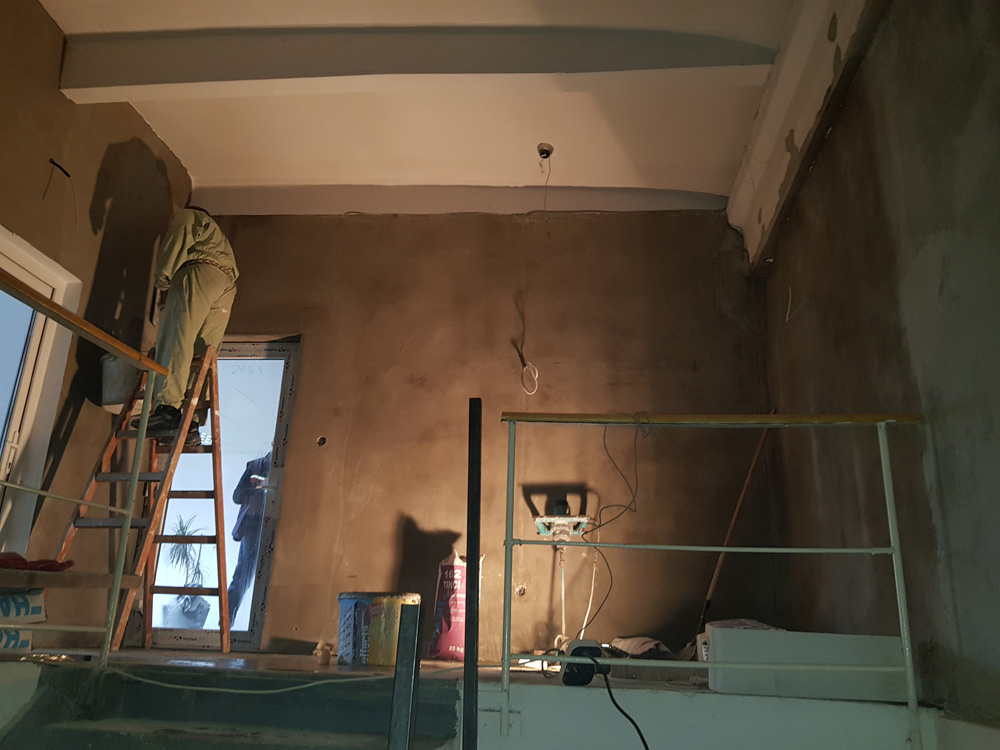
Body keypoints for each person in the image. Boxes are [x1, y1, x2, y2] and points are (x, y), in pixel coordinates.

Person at [135, 206, 238, 446]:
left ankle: (167, 409)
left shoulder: (192, 215)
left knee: (176, 335)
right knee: (203, 351)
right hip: (226, 285)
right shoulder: (222, 243)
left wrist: (164, 273)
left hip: (200, 271)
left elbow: (182, 227)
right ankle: (191, 422)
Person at [228, 451, 271, 624]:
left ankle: (264, 625)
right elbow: (237, 496)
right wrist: (259, 488)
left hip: (276, 528)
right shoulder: (255, 466)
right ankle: (227, 619)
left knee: (271, 577)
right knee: (243, 575)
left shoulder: (291, 467)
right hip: (253, 527)